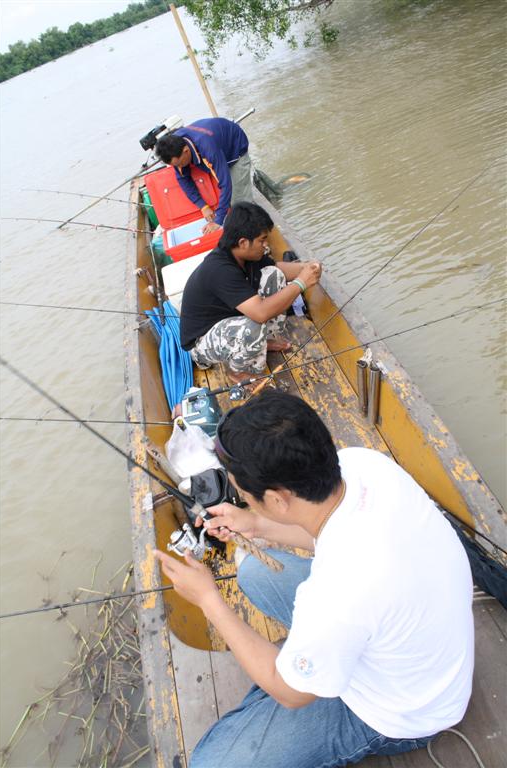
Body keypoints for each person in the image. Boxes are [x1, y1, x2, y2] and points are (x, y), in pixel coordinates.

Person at [154, 390, 474, 768]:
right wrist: (255, 523)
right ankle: (317, 659)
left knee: (212, 762)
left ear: (277, 499)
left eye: (244, 495)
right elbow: (325, 530)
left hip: (408, 712)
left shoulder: (337, 594)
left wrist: (208, 600)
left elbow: (289, 692)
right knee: (255, 571)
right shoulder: (362, 465)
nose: (242, 499)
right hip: (418, 643)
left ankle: (315, 668)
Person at [179, 202, 322, 384]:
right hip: (202, 344)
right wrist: (301, 283)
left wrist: (306, 268)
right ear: (243, 243)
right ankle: (237, 372)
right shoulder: (220, 269)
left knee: (274, 275)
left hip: (228, 323)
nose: (266, 245)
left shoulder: (244, 255)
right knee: (254, 324)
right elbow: (261, 313)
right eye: (262, 240)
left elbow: (278, 269)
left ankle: (264, 341)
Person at [155, 117, 253, 233]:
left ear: (186, 151)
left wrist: (218, 221)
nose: (179, 167)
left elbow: (226, 183)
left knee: (239, 201)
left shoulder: (208, 148)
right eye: (176, 165)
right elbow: (183, 180)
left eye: (180, 163)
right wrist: (203, 206)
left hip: (234, 147)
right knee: (226, 198)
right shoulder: (175, 149)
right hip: (215, 142)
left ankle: (251, 228)